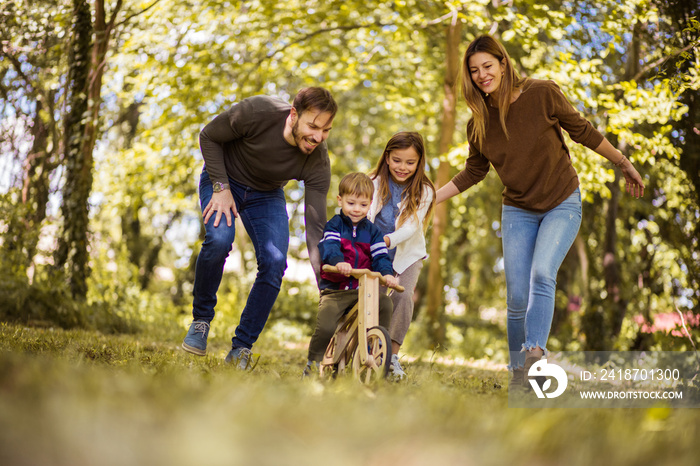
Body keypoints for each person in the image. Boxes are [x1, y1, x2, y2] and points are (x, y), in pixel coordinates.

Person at [435, 35, 645, 390]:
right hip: (518, 209)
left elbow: (583, 131)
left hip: (562, 201)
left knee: (542, 274)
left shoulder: (542, 93)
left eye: (488, 65)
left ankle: (535, 354)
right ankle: (518, 372)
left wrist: (623, 162)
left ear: (503, 63)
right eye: (474, 71)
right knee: (516, 297)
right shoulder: (478, 124)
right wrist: (429, 199)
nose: (482, 75)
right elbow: (474, 171)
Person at [182, 87, 337, 369]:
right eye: (313, 126)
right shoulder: (258, 111)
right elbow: (209, 136)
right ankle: (201, 321)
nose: (318, 137)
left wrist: (327, 288)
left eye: (325, 130)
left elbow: (315, 228)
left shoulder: (317, 159)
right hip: (223, 178)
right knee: (219, 239)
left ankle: (241, 347)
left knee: (276, 262)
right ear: (293, 115)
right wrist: (220, 187)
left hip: (266, 195)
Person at [303, 172, 398, 376]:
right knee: (326, 326)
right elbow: (329, 247)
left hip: (362, 291)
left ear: (370, 204)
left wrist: (387, 274)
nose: (356, 209)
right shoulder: (335, 225)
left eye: (363, 205)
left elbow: (381, 256)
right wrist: (339, 262)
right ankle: (312, 363)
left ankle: (374, 347)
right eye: (351, 203)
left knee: (385, 303)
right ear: (340, 200)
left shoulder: (373, 232)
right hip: (336, 290)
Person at [367, 132, 435, 381]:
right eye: (397, 160)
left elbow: (410, 227)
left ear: (419, 163)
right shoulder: (372, 182)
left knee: (402, 300)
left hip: (407, 255)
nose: (403, 167)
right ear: (387, 158)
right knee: (370, 300)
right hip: (372, 253)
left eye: (410, 162)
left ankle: (392, 356)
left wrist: (385, 240)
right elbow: (361, 213)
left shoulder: (425, 190)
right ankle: (369, 348)